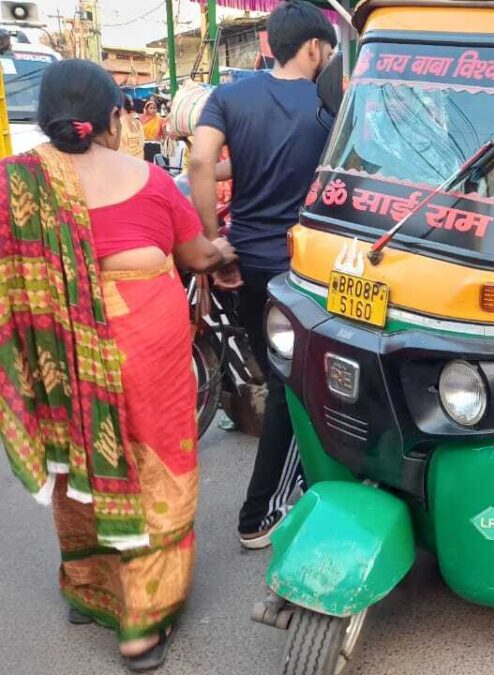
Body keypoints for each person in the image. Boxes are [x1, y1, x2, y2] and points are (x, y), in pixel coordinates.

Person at [0, 60, 234, 671]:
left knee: (82, 463)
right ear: (112, 119)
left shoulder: (15, 187)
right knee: (157, 470)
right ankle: (141, 627)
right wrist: (221, 250)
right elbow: (195, 255)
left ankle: (88, 588)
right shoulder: (150, 182)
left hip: (63, 362)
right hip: (146, 356)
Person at [190, 0, 336, 550]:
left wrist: (215, 244)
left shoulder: (230, 96)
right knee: (293, 389)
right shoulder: (328, 106)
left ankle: (297, 487)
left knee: (279, 379)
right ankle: (261, 514)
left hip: (246, 261)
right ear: (315, 48)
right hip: (303, 268)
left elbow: (201, 162)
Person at [119, 95, 145, 159]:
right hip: (138, 159)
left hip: (127, 160)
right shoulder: (137, 122)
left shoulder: (118, 123)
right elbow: (141, 143)